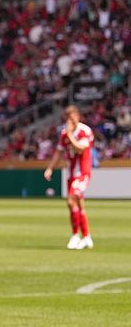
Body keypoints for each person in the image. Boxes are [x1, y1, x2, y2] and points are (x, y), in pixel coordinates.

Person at [44, 105, 94, 250]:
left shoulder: (85, 131)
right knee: (77, 204)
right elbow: (58, 153)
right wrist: (50, 168)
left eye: (72, 118)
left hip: (83, 172)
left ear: (78, 117)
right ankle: (86, 237)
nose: (70, 121)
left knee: (71, 199)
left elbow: (80, 148)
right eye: (68, 119)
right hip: (71, 173)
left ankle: (74, 236)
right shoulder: (64, 134)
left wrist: (70, 134)